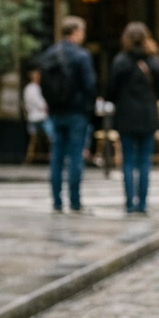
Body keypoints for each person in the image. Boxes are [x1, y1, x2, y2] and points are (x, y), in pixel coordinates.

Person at [40, 15, 96, 213]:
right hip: (77, 113)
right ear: (75, 32)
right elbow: (90, 86)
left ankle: (56, 201)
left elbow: (43, 84)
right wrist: (89, 107)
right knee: (75, 158)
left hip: (56, 112)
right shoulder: (81, 56)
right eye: (82, 32)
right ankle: (74, 201)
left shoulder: (49, 54)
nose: (83, 35)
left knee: (56, 157)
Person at [108, 22, 159, 214]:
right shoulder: (154, 61)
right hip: (147, 115)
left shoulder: (120, 61)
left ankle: (129, 203)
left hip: (126, 116)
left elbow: (111, 91)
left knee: (128, 161)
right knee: (144, 162)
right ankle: (142, 204)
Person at [23, 66, 54, 155]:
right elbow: (41, 104)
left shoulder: (33, 88)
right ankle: (56, 153)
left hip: (35, 117)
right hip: (37, 118)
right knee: (54, 132)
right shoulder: (33, 89)